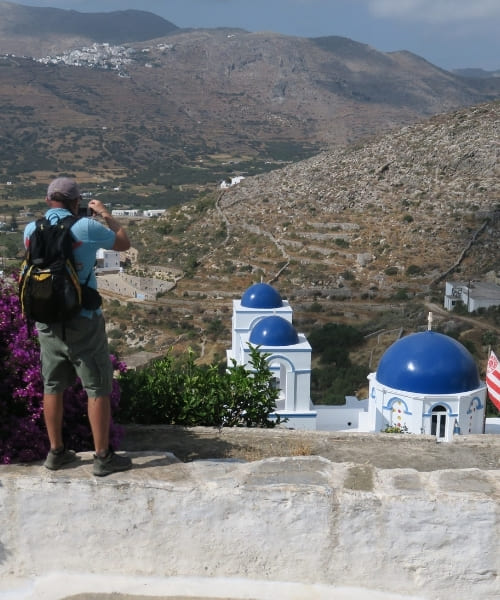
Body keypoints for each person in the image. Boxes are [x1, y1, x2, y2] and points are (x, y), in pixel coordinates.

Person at [23, 177, 132, 476]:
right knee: (97, 387)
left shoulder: (31, 229)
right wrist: (106, 214)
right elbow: (123, 243)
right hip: (83, 319)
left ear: (48, 201)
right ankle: (102, 457)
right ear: (75, 202)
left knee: (52, 386)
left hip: (48, 321)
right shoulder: (86, 227)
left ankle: (56, 452)